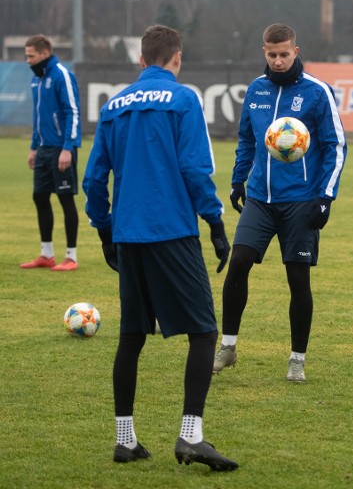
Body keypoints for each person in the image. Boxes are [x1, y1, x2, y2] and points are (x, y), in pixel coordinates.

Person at [83, 24, 237, 471]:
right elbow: (194, 168)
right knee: (205, 332)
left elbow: (94, 179)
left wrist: (104, 229)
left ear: (141, 61)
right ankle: (192, 436)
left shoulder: (114, 106)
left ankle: (124, 440)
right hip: (171, 232)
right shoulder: (185, 99)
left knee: (131, 336)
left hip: (128, 236)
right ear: (177, 59)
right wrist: (214, 221)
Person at [213, 24, 346, 382]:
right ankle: (227, 346)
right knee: (239, 261)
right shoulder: (256, 90)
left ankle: (297, 359)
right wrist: (238, 179)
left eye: (284, 54)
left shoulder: (318, 92)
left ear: (296, 51)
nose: (278, 60)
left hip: (301, 201)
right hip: (260, 197)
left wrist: (325, 196)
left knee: (297, 278)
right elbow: (246, 139)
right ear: (264, 53)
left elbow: (336, 146)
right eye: (272, 54)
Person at [20, 35, 81, 271]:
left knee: (65, 198)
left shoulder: (61, 75)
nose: (27, 60)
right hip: (44, 149)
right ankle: (47, 254)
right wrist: (34, 147)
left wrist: (68, 147)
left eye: (30, 56)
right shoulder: (36, 80)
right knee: (40, 196)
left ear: (44, 54)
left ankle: (71, 256)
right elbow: (38, 118)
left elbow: (72, 112)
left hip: (61, 149)